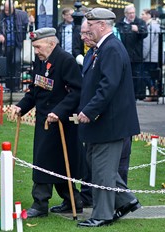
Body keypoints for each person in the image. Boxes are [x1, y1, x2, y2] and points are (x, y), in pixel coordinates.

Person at [77, 8, 141, 227]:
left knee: (103, 170)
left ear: (102, 25)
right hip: (103, 121)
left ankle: (102, 215)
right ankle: (127, 200)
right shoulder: (103, 48)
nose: (87, 31)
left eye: (90, 26)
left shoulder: (111, 48)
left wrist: (89, 110)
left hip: (110, 121)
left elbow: (108, 86)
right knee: (96, 165)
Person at [11, 27, 83, 218]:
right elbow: (36, 89)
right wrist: (21, 106)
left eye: (38, 47)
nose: (36, 51)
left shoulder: (66, 60)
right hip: (44, 120)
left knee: (54, 161)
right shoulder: (41, 61)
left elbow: (77, 91)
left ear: (51, 43)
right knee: (47, 160)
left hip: (61, 122)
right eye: (34, 47)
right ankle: (72, 201)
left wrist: (58, 112)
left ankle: (41, 203)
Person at [0, 0, 29, 92]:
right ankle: (8, 86)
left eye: (8, 10)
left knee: (16, 62)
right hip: (5, 44)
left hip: (17, 43)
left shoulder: (21, 15)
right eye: (5, 10)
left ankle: (16, 86)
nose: (7, 12)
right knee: (7, 64)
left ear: (13, 8)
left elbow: (26, 28)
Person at [115, 5, 147, 100]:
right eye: (130, 13)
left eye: (133, 13)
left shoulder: (140, 22)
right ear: (125, 14)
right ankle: (124, 95)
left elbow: (145, 33)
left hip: (136, 54)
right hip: (122, 53)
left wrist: (138, 30)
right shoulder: (120, 23)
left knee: (136, 75)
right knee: (123, 75)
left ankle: (136, 95)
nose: (132, 15)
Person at [141, 9, 161, 102]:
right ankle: (154, 93)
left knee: (145, 74)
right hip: (155, 56)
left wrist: (143, 56)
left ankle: (153, 93)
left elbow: (147, 44)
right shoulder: (156, 25)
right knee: (152, 75)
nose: (142, 16)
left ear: (149, 15)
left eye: (144, 14)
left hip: (150, 56)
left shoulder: (150, 26)